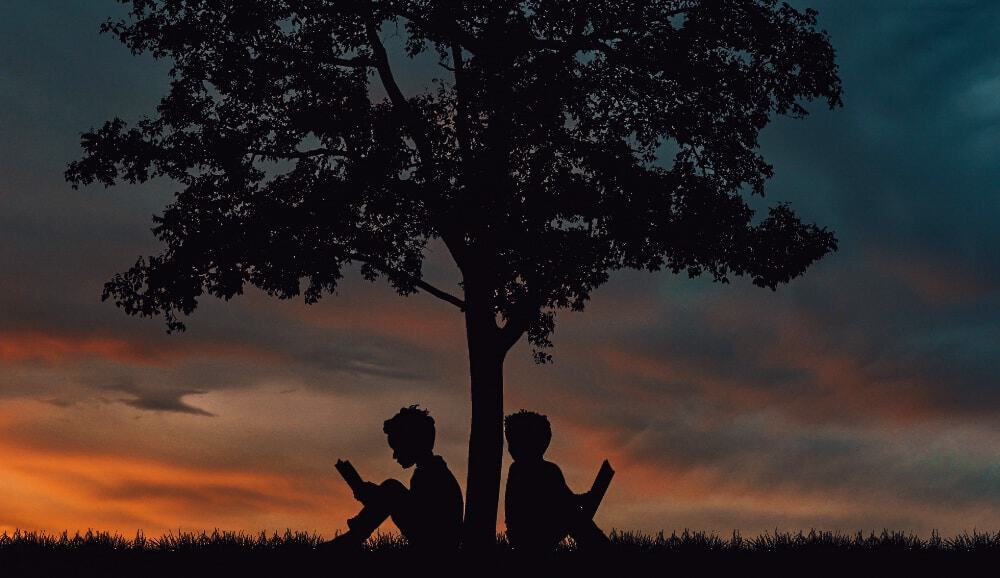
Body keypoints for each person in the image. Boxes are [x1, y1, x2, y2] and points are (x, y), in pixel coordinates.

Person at [324, 405, 464, 553]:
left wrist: (377, 496)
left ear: (412, 443)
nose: (395, 456)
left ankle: (352, 539)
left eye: (397, 448)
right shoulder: (432, 471)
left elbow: (413, 511)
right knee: (391, 490)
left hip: (437, 546)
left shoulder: (432, 475)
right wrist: (377, 496)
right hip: (437, 541)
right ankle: (353, 538)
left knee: (392, 488)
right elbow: (411, 508)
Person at [503, 410, 610, 553]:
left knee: (572, 513)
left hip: (525, 534)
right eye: (511, 442)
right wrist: (585, 499)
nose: (511, 448)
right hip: (531, 533)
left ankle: (599, 546)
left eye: (514, 443)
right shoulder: (540, 471)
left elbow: (563, 499)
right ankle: (601, 548)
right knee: (573, 515)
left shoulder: (521, 470)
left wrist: (582, 500)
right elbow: (564, 501)